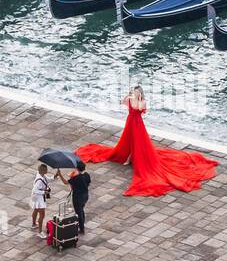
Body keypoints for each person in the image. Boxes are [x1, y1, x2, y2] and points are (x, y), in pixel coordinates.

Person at [74, 84, 217, 196]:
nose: (133, 94)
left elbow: (140, 108)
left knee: (138, 144)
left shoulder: (141, 101)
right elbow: (123, 103)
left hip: (137, 125)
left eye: (136, 92)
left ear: (140, 93)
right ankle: (129, 158)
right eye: (133, 92)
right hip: (131, 122)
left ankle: (132, 158)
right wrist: (129, 96)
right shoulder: (132, 99)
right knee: (128, 142)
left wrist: (136, 98)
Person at [56, 161, 90, 236]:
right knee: (81, 210)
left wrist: (60, 174)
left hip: (78, 197)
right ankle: (81, 224)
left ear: (77, 168)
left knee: (79, 212)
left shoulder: (76, 178)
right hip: (85, 195)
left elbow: (65, 182)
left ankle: (81, 228)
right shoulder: (87, 175)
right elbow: (88, 183)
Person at [31, 163, 52, 234]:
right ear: (43, 171)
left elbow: (48, 179)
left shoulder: (41, 175)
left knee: (36, 210)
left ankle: (34, 224)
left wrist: (55, 176)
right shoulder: (39, 180)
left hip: (36, 197)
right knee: (42, 214)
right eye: (46, 169)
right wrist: (44, 192)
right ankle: (40, 232)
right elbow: (35, 190)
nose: (47, 170)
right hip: (38, 197)